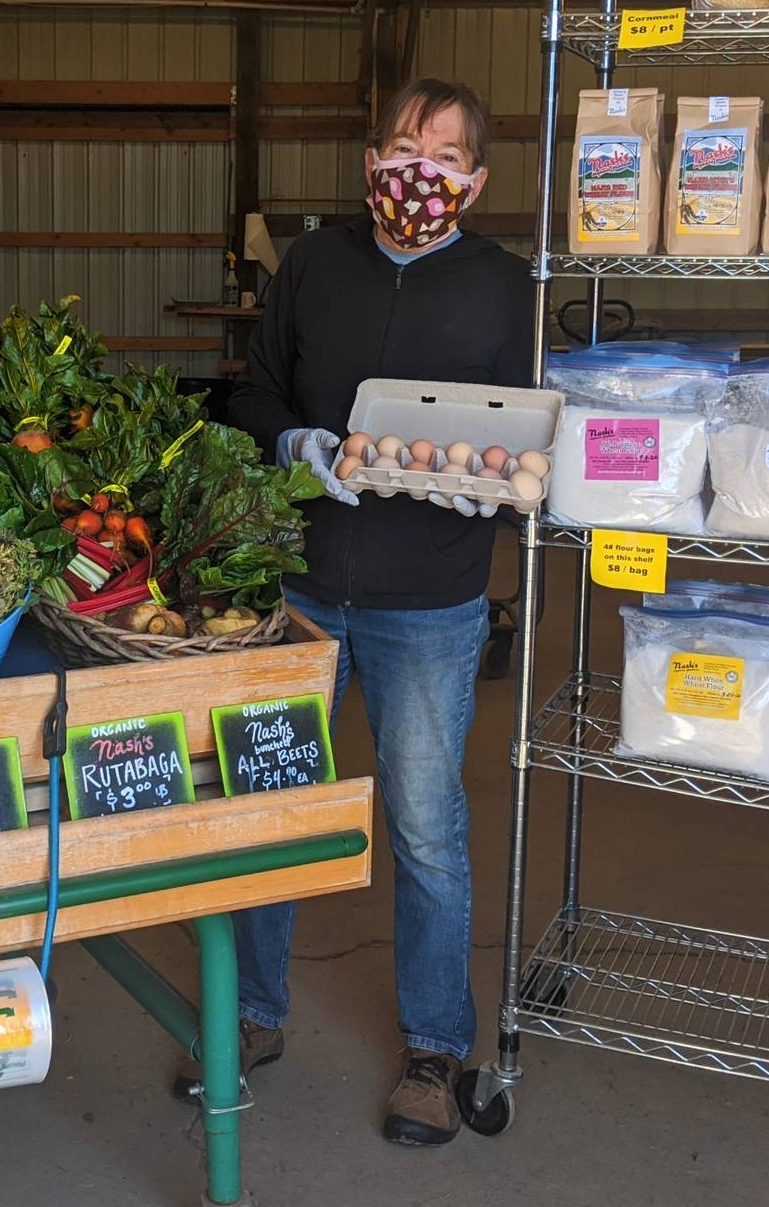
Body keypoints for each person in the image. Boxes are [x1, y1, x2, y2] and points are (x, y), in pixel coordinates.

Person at [176, 76, 532, 1145]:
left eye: (439, 152)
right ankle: (250, 1016)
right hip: (297, 586)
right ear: (370, 159)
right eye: (396, 145)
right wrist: (292, 442)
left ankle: (432, 1050)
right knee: (271, 804)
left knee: (425, 826)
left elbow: (532, 440)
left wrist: (495, 481)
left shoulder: (502, 288)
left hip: (429, 596)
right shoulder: (313, 266)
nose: (412, 168)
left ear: (474, 179)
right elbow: (249, 391)